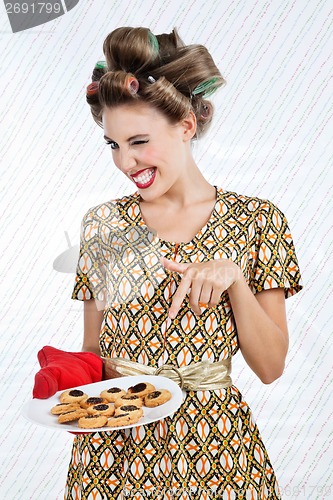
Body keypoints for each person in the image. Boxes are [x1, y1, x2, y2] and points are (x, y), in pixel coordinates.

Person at [66, 26, 303, 499]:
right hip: (116, 454)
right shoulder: (101, 225)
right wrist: (65, 386)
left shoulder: (258, 220)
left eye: (138, 141)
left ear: (186, 125)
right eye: (113, 145)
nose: (126, 162)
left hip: (219, 454)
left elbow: (271, 366)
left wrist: (234, 278)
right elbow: (93, 354)